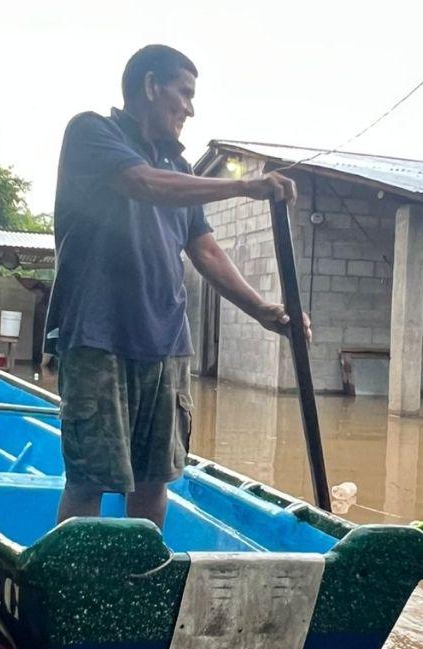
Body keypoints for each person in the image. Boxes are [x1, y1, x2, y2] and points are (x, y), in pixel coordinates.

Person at [47, 44, 308, 528]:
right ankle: (68, 587)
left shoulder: (181, 168)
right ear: (150, 86)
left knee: (153, 481)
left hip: (166, 344)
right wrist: (242, 186)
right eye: (184, 94)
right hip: (98, 339)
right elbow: (145, 184)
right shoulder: (91, 133)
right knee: (89, 481)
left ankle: (140, 582)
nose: (190, 108)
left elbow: (204, 249)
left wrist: (262, 310)